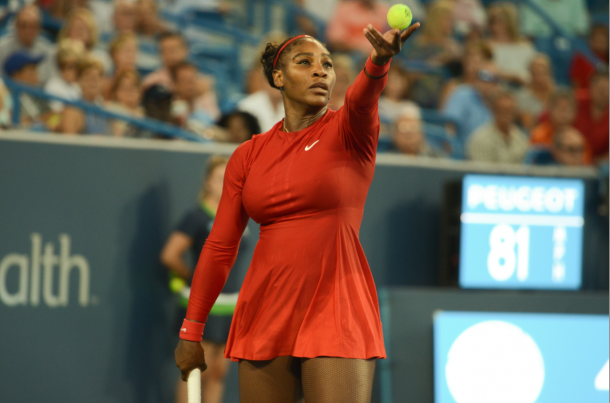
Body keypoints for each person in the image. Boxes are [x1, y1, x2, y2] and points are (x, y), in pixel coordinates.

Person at [174, 23, 421, 403]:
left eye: (326, 64)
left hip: (337, 304)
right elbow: (220, 246)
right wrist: (192, 331)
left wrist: (377, 63)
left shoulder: (349, 131)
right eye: (305, 62)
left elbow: (362, 98)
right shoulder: (247, 155)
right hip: (265, 310)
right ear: (278, 76)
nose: (320, 70)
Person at [161, 156, 245, 403]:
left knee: (218, 373)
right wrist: (194, 279)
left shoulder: (239, 216)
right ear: (207, 182)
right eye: (219, 178)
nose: (225, 184)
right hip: (203, 308)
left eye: (229, 179)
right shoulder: (197, 216)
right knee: (195, 374)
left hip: (230, 307)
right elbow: (170, 254)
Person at [404, 0, 461, 107]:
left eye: (451, 20)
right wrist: (440, 60)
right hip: (417, 86)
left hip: (443, 91)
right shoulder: (419, 42)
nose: (450, 23)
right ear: (435, 20)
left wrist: (455, 56)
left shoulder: (453, 46)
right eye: (447, 19)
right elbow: (411, 68)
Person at [442, 61, 499, 143]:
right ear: (475, 78)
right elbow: (449, 127)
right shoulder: (462, 94)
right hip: (462, 151)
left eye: (495, 79)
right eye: (485, 76)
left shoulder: (499, 102)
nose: (489, 83)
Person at [466, 90, 528, 163]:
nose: (506, 115)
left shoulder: (521, 138)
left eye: (509, 110)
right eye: (501, 110)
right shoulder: (479, 139)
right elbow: (482, 172)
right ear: (493, 110)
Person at [0, 5, 54, 84]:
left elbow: (49, 83)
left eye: (32, 26)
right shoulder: (2, 47)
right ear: (16, 26)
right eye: (23, 25)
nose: (28, 31)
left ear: (39, 28)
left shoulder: (47, 50)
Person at [486, 2, 536, 85]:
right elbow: (485, 72)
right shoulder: (486, 47)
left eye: (501, 21)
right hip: (498, 88)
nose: (497, 25)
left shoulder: (526, 47)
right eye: (493, 21)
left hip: (525, 88)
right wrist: (512, 77)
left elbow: (533, 72)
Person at [60, 57, 109, 135]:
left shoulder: (107, 109)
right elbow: (68, 144)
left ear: (103, 81)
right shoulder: (72, 110)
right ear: (79, 80)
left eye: (98, 76)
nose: (93, 80)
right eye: (88, 75)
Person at [438, 38, 492, 108]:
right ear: (463, 61)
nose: (472, 66)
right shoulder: (452, 87)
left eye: (477, 62)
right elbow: (443, 115)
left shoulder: (490, 89)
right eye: (469, 60)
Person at [3, 51, 51, 127]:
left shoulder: (39, 95)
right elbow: (17, 125)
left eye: (36, 70)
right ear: (16, 75)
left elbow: (52, 116)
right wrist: (43, 119)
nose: (36, 75)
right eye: (31, 70)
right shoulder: (7, 97)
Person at [58, 8, 112, 73]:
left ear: (91, 32)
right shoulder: (56, 53)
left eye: (83, 28)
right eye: (75, 28)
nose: (79, 32)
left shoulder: (101, 58)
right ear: (67, 31)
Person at [170, 61, 220, 129]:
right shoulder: (170, 105)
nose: (189, 85)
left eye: (192, 79)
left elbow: (215, 121)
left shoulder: (204, 97)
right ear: (174, 84)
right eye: (184, 80)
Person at [573, 72, 609, 163]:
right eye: (600, 89)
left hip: (601, 167)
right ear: (590, 87)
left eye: (606, 90)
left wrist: (594, 162)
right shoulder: (576, 101)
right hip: (569, 158)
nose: (603, 94)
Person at [514, 53, 555, 130]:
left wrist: (551, 94)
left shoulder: (557, 94)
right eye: (537, 73)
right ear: (531, 74)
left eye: (544, 73)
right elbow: (529, 125)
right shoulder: (522, 96)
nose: (542, 77)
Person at [44, 39, 85, 113]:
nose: (74, 71)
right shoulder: (53, 84)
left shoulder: (78, 87)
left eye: (76, 66)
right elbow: (56, 113)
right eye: (69, 67)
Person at [570, 24, 609, 94]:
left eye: (603, 40)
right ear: (591, 40)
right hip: (586, 97)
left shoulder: (607, 58)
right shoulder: (581, 58)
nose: (600, 43)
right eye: (598, 39)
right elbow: (575, 83)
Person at [105, 70, 144, 137]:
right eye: (124, 88)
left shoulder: (144, 112)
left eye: (132, 88)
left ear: (139, 91)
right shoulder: (108, 108)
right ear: (116, 92)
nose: (128, 93)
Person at [520, 0, 589, 38]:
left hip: (569, 44)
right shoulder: (532, 1)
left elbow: (580, 30)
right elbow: (528, 33)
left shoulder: (577, 1)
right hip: (540, 44)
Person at [104, 33, 138, 99]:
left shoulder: (139, 83)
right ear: (114, 55)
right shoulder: (107, 85)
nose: (131, 56)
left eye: (134, 51)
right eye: (127, 51)